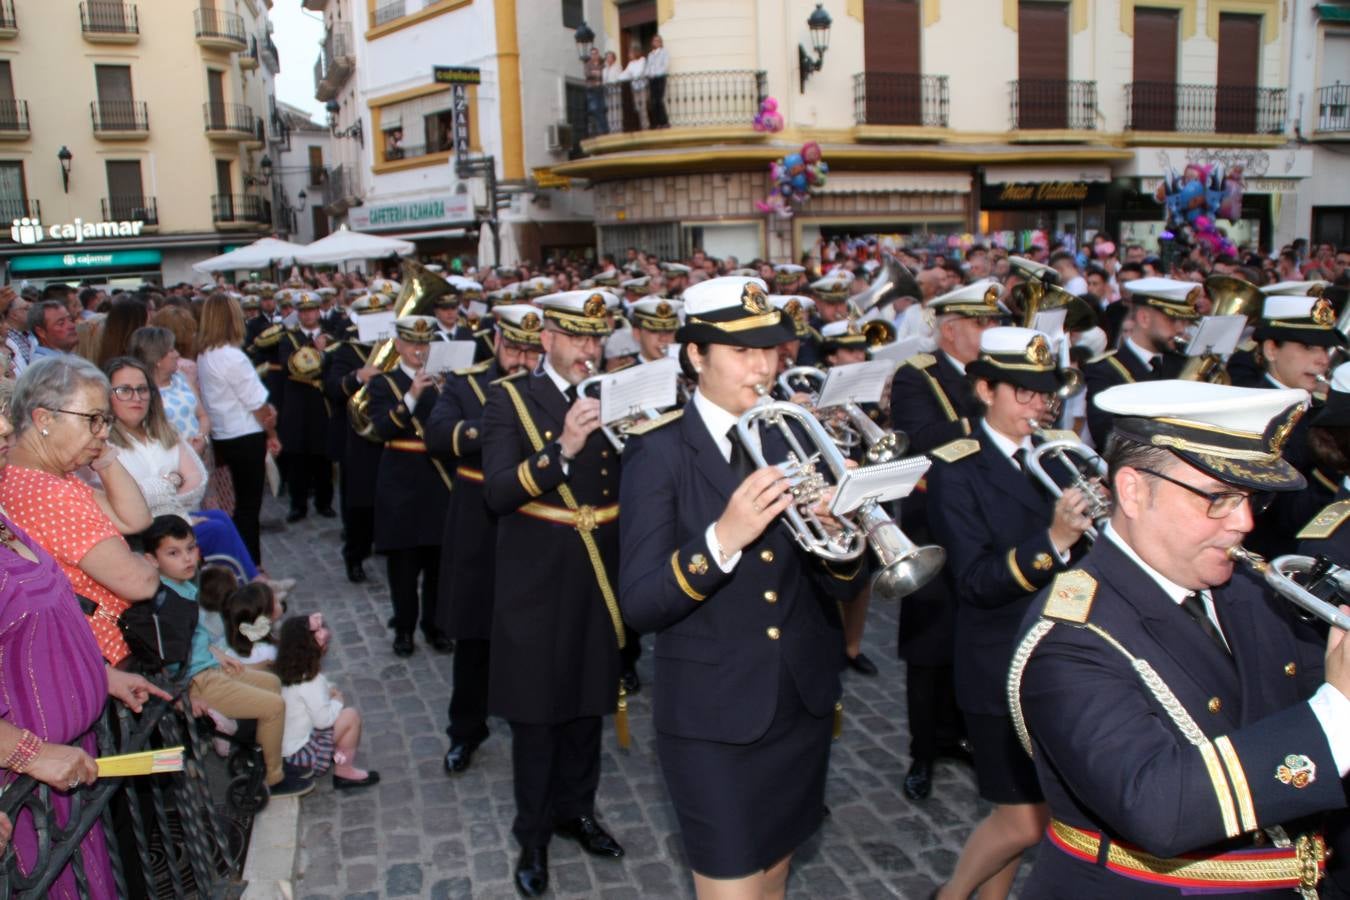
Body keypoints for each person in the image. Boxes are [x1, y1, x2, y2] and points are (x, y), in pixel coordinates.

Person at [1012, 380, 1349, 898]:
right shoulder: (1070, 636)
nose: (1243, 522)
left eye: (1250, 498)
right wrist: (1340, 708)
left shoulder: (1248, 590)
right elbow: (1157, 808)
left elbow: (1299, 687)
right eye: (1218, 498)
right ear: (1132, 490)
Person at [618, 276, 865, 900]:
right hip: (711, 716)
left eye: (771, 349)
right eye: (742, 351)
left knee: (775, 875)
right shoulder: (658, 451)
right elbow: (640, 603)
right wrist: (722, 540)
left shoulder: (795, 439)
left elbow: (842, 586)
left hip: (799, 704)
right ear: (695, 355)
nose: (764, 367)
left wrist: (841, 532)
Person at [928, 327, 1095, 900]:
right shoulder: (957, 468)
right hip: (998, 664)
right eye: (1022, 391)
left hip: (1059, 657)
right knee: (1024, 820)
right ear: (985, 390)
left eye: (1044, 392)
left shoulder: (1058, 456)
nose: (1038, 404)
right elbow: (975, 582)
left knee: (1030, 809)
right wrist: (1054, 540)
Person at [481, 289, 627, 898]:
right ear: (547, 340)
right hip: (537, 578)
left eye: (596, 338)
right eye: (577, 337)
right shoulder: (510, 397)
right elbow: (497, 492)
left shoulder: (614, 394)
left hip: (599, 572)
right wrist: (561, 449)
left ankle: (577, 811)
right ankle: (534, 835)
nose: (589, 349)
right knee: (538, 716)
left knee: (589, 703)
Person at [0, 382, 170, 899]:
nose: (6, 427)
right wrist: (29, 755)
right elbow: (136, 579)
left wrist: (99, 675)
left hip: (68, 766)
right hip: (24, 786)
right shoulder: (35, 490)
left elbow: (40, 623)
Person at [888, 280, 1001, 800]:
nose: (989, 331)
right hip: (931, 519)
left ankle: (960, 735)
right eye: (980, 323)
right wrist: (987, 418)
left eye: (991, 322)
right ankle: (923, 750)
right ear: (950, 329)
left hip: (983, 516)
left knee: (974, 633)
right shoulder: (918, 374)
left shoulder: (992, 373)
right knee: (929, 644)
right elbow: (918, 438)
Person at [424, 304, 542, 776]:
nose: (521, 359)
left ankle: (528, 718)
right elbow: (437, 436)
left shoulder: (546, 387)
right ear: (496, 342)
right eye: (513, 348)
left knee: (531, 634)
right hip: (479, 523)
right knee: (475, 636)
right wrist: (492, 426)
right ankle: (465, 731)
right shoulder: (465, 383)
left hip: (534, 520)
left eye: (530, 351)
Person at [0, 356, 159, 667]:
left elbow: (135, 518)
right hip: (108, 656)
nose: (104, 432)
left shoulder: (34, 476)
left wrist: (102, 456)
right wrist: (149, 565)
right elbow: (139, 583)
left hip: (86, 653)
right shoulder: (47, 494)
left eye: (107, 421)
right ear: (44, 419)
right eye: (94, 418)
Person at [140, 515, 312, 798]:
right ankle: (274, 777)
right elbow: (165, 657)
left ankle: (261, 754)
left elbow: (195, 637)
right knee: (274, 706)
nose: (187, 558)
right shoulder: (164, 601)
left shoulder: (183, 586)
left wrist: (217, 653)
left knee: (271, 682)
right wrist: (184, 695)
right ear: (152, 559)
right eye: (173, 553)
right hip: (196, 681)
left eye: (190, 548)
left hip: (209, 668)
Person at [365, 315, 454, 657]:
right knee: (403, 565)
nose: (419, 350)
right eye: (413, 343)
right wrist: (413, 396)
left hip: (438, 479)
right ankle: (404, 629)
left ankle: (435, 626)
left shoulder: (444, 380)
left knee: (438, 564)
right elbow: (381, 429)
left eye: (425, 343)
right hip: (401, 482)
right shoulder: (384, 383)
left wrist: (444, 391)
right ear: (399, 345)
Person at [197, 293, 281, 567]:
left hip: (225, 434)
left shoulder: (206, 354)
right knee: (248, 508)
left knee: (243, 505)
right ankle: (252, 568)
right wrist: (272, 434)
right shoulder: (232, 357)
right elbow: (257, 404)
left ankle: (246, 564)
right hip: (245, 435)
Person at [1084, 277, 1199, 447]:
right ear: (1144, 318)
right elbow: (1105, 436)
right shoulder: (1105, 370)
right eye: (1173, 320)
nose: (1180, 329)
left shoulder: (1183, 364)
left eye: (1184, 321)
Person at [321, 292, 388, 584]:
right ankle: (355, 556)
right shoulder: (346, 350)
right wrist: (358, 376)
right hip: (358, 438)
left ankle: (385, 542)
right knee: (359, 502)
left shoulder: (395, 346)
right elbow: (332, 388)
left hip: (389, 431)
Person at [276, 614, 380, 789]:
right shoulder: (312, 681)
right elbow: (323, 721)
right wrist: (337, 702)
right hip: (301, 757)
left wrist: (326, 692)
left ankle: (336, 755)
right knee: (351, 717)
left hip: (285, 749)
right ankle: (344, 771)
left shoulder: (286, 671)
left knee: (338, 717)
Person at [130, 324, 211, 457]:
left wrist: (202, 438)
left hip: (200, 454)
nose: (177, 354)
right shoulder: (141, 394)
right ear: (157, 359)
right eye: (171, 350)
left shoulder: (181, 378)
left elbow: (202, 415)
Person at [645, 34, 669, 128]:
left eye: (657, 41)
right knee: (653, 101)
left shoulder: (664, 52)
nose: (656, 42)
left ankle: (664, 122)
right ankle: (657, 123)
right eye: (654, 40)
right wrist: (649, 74)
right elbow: (648, 66)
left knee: (659, 100)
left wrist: (656, 74)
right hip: (652, 79)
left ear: (660, 42)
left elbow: (665, 65)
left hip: (660, 78)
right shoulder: (650, 54)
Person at [583, 46, 608, 137]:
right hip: (592, 89)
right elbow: (587, 74)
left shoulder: (602, 63)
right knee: (595, 109)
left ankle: (604, 129)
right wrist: (597, 73)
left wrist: (595, 73)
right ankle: (600, 130)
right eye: (592, 54)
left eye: (595, 53)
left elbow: (605, 73)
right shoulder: (588, 64)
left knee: (602, 109)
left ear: (598, 54)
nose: (594, 55)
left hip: (601, 89)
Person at [602, 50, 623, 133]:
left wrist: (613, 83)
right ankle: (611, 127)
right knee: (609, 109)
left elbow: (619, 78)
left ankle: (618, 127)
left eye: (610, 57)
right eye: (607, 57)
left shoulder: (618, 67)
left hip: (615, 90)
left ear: (613, 58)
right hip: (607, 91)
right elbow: (604, 80)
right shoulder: (604, 69)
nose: (608, 59)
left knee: (616, 108)